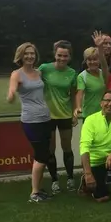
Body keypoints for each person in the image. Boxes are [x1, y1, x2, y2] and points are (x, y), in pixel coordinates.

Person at [7, 42, 53, 202]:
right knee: (41, 155)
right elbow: (11, 92)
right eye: (26, 53)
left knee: (44, 155)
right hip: (31, 120)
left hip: (45, 118)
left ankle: (38, 190)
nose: (29, 56)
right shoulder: (17, 74)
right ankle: (34, 193)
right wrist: (12, 94)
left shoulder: (39, 73)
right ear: (21, 56)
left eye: (32, 53)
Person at [38, 39, 77, 194]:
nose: (62, 58)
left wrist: (74, 112)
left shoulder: (72, 72)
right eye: (59, 55)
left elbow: (73, 95)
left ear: (69, 57)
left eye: (65, 56)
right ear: (55, 54)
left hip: (65, 115)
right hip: (47, 116)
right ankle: (54, 180)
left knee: (67, 148)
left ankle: (70, 178)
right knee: (50, 149)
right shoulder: (44, 68)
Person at [74, 45, 107, 125]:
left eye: (95, 59)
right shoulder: (82, 76)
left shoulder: (104, 73)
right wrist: (78, 107)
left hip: (104, 114)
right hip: (89, 114)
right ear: (86, 61)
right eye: (89, 60)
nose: (92, 62)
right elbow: (80, 93)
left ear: (99, 60)